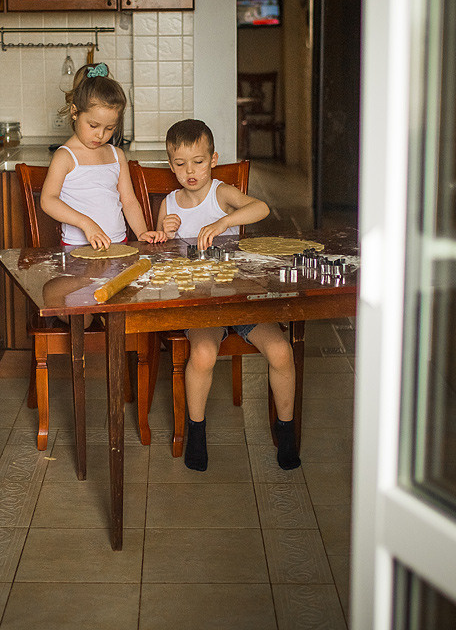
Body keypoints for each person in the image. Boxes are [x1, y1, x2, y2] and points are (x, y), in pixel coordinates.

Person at [155, 118, 300, 471]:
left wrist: (223, 221)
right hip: (200, 303)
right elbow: (160, 255)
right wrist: (164, 231)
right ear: (170, 163)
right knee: (203, 354)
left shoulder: (222, 193)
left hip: (240, 298)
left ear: (213, 159)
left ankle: (286, 431)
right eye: (180, 164)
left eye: (198, 162)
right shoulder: (169, 203)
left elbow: (261, 208)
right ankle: (197, 431)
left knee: (281, 350)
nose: (190, 171)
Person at [40, 62, 166, 248]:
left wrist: (141, 232)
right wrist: (86, 223)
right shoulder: (65, 156)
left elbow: (129, 201)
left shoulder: (117, 155)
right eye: (93, 125)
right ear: (75, 112)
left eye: (109, 128)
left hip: (118, 243)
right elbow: (48, 200)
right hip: (77, 247)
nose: (100, 135)